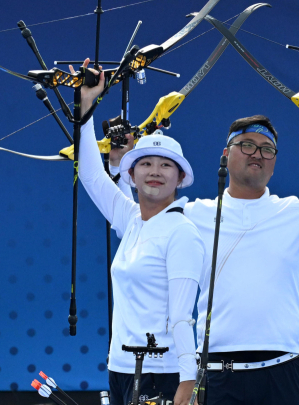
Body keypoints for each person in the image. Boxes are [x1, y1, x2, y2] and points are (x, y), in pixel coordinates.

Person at [110, 112, 299, 404]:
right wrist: (118, 164)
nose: (258, 154)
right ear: (226, 154)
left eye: (267, 149)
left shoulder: (297, 213)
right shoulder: (191, 216)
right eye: (247, 145)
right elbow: (135, 217)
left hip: (283, 372)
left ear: (274, 162)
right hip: (215, 374)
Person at [77, 61, 205, 405]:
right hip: (120, 367)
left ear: (180, 179)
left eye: (166, 166)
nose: (155, 172)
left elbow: (182, 316)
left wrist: (186, 385)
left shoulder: (182, 232)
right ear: (131, 175)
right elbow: (90, 175)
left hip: (163, 374)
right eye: (146, 163)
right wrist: (86, 105)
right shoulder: (131, 218)